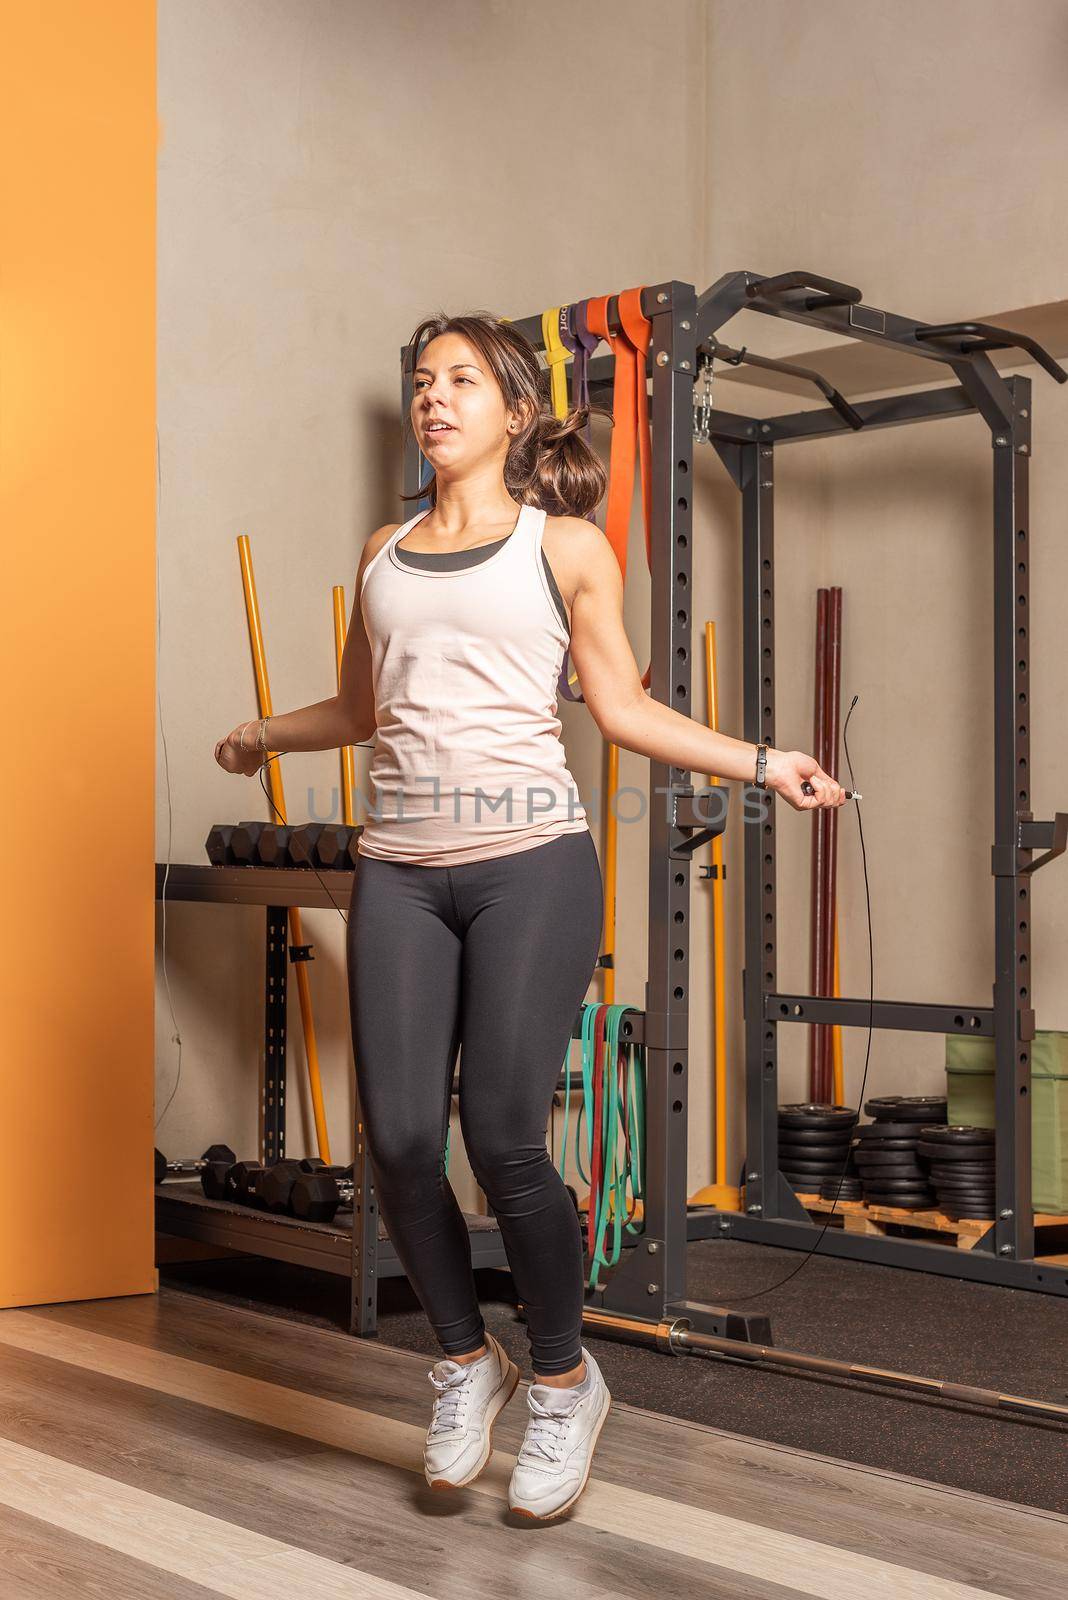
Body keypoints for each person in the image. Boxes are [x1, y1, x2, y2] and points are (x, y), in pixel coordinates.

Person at [215, 310, 845, 1521]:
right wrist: (260, 733)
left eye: (459, 380)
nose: (433, 396)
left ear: (511, 409)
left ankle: (562, 1378)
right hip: (400, 868)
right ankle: (465, 1362)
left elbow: (620, 709)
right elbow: (361, 703)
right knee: (398, 1139)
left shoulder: (564, 548)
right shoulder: (382, 549)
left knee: (502, 1134)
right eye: (420, 380)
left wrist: (763, 761)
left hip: (530, 865)